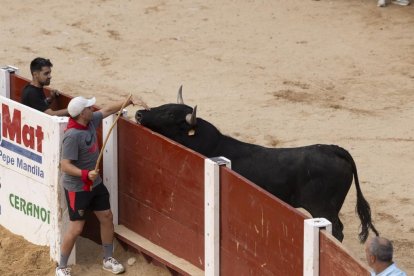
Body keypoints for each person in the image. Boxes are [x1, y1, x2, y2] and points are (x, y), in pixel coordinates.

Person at [56, 95, 148, 276]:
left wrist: (128, 101)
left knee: (106, 216)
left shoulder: (89, 122)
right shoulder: (72, 136)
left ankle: (107, 259)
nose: (93, 109)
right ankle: (61, 267)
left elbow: (107, 110)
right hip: (78, 188)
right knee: (76, 229)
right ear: (83, 113)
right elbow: (65, 165)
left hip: (95, 184)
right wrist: (85, 174)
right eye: (89, 107)